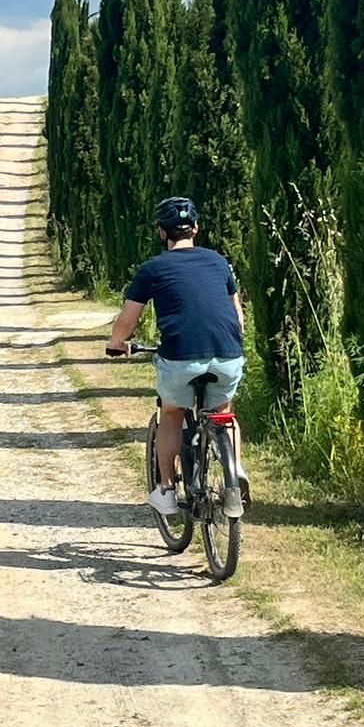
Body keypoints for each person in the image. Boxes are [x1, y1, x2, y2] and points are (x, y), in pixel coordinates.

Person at [106, 197, 247, 517]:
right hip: (227, 353)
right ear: (196, 228)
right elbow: (238, 316)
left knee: (170, 413)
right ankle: (234, 473)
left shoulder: (152, 269)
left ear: (161, 232)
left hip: (181, 357)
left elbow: (128, 321)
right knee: (223, 411)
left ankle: (167, 490)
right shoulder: (218, 262)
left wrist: (116, 343)